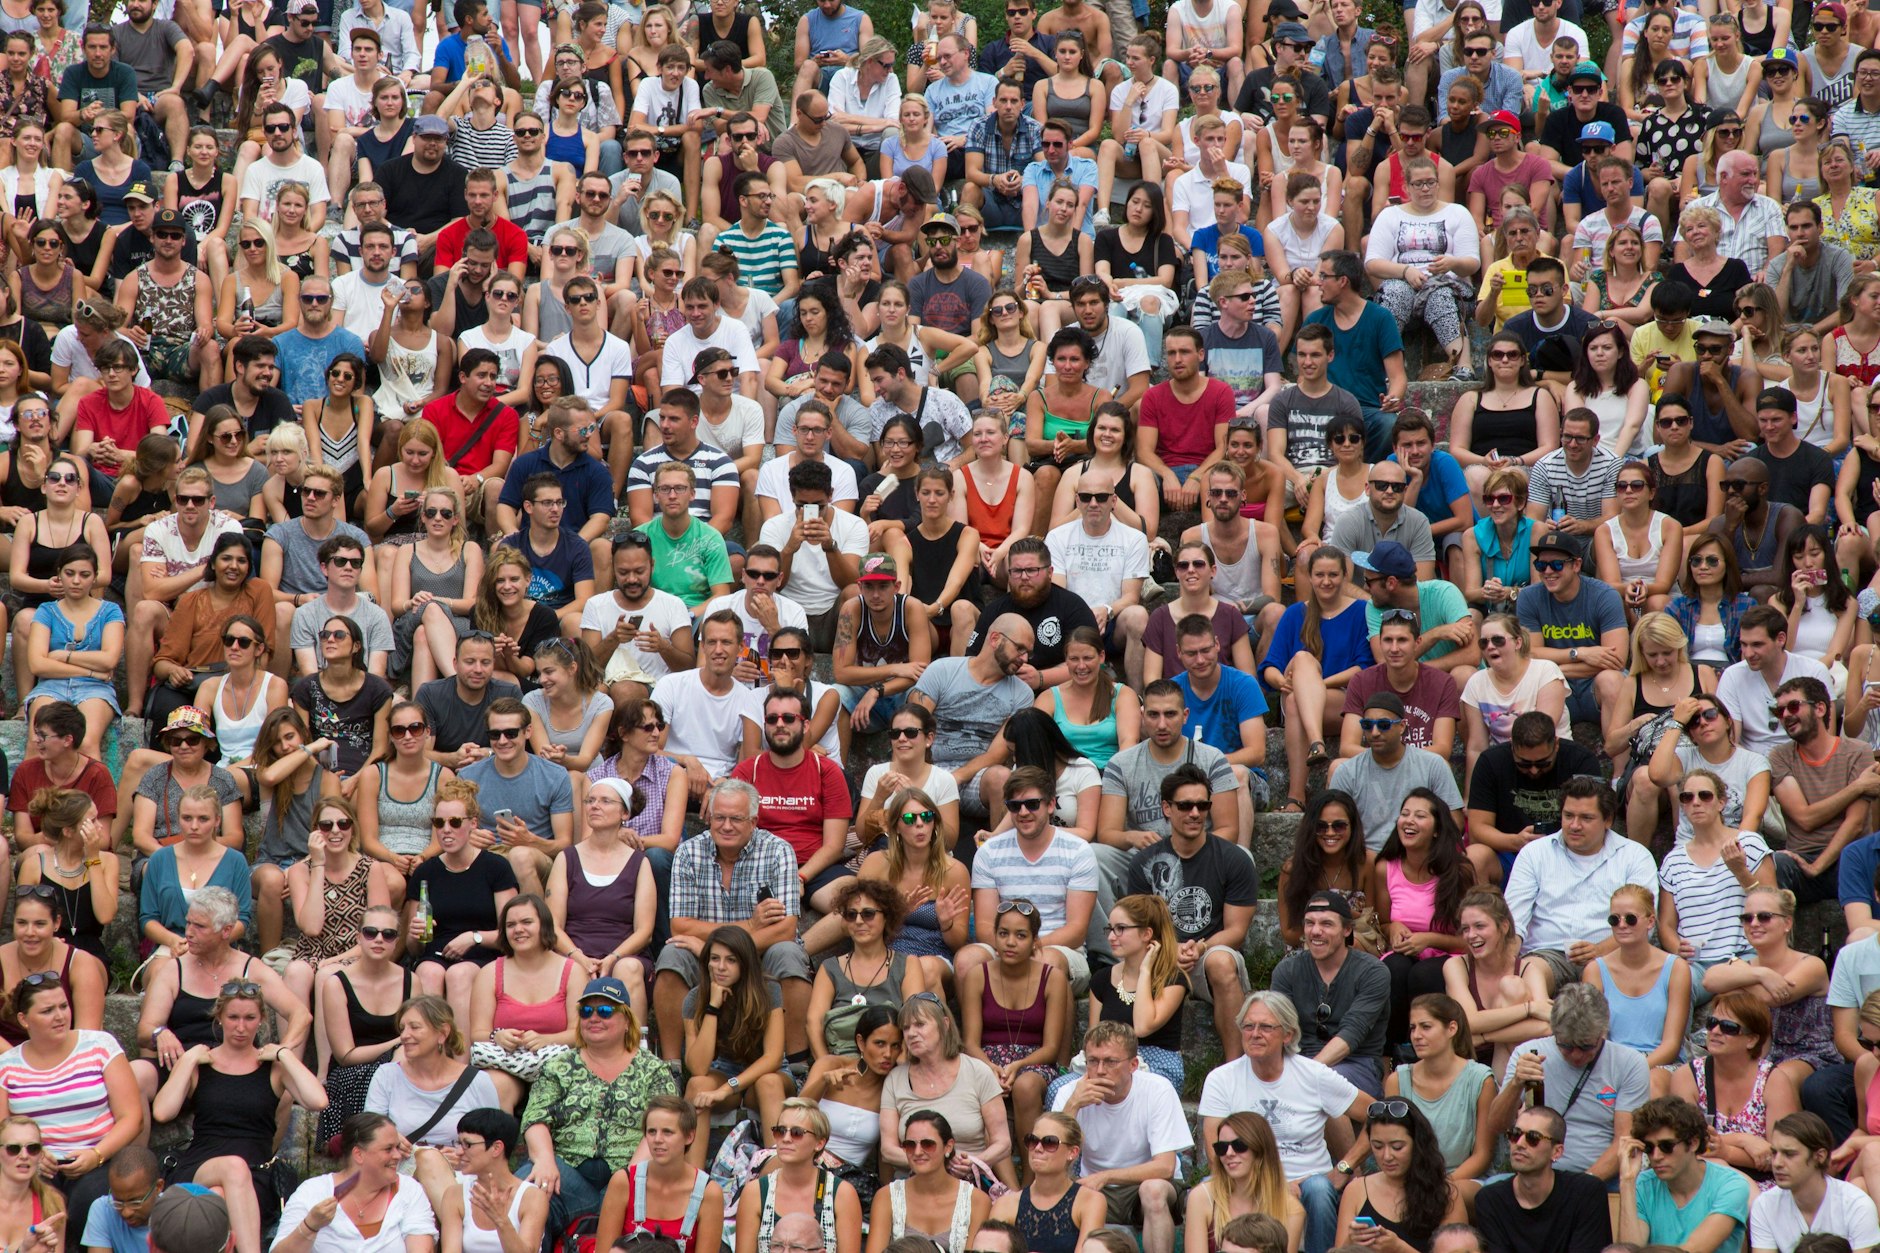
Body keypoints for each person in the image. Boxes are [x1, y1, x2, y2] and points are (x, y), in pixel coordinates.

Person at [150, 980, 326, 1253]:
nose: (241, 1027)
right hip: (201, 1166)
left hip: (255, 1175)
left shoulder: (273, 1068)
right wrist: (187, 1060)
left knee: (220, 1195)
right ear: (219, 1018)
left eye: (249, 1018)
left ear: (261, 1020)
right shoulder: (202, 1063)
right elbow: (162, 1111)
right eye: (233, 1017)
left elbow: (318, 1100)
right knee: (232, 1167)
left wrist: (283, 1053)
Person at [1197, 990, 1373, 1253]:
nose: (1255, 1033)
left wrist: (1345, 1167)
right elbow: (1215, 1151)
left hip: (1309, 1180)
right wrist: (1270, 1185)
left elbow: (1377, 1114)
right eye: (1248, 1026)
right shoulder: (1222, 1079)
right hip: (1246, 1179)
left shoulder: (1313, 1074)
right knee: (1201, 1191)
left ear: (1288, 1035)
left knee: (1318, 1188)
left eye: (1266, 1027)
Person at [0, 970, 143, 1237]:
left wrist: (96, 1155)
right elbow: (3, 1129)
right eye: (47, 1011)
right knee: (39, 1202)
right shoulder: (7, 1066)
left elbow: (132, 1117)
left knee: (86, 1202)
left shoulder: (100, 1045)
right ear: (24, 1019)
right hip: (35, 1161)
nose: (60, 1016)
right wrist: (34, 1155)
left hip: (99, 1156)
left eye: (63, 1006)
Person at [1046, 1021, 1190, 1253]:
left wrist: (1105, 1176)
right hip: (1094, 1188)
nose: (1100, 1070)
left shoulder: (1157, 1089)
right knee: (1055, 1191)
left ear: (1133, 1065)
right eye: (1092, 1061)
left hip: (1144, 1187)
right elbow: (1048, 1158)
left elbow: (1165, 1167)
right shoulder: (1070, 1093)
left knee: (1152, 1190)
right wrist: (1073, 1106)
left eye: (1110, 1061)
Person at [1271, 891, 1392, 1094]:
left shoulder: (1373, 972)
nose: (1315, 931)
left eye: (1326, 924)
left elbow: (1352, 1033)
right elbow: (1278, 1026)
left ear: (1347, 929)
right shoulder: (1287, 970)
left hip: (1357, 1064)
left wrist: (1304, 1074)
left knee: (1324, 1085)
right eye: (1310, 923)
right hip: (1298, 1060)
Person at [273, 1113, 436, 1253]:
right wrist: (309, 1227)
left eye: (397, 1148)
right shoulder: (313, 1191)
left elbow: (421, 1248)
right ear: (358, 1154)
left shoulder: (409, 1190)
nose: (397, 1156)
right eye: (388, 1149)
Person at [1616, 1095, 1755, 1251]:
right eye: (1648, 1147)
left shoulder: (1731, 1185)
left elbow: (1693, 1250)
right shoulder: (1642, 1184)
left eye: (1666, 1146)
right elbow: (1630, 1250)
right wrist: (1627, 1181)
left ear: (1693, 1143)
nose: (1656, 1156)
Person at [1329, 690, 1463, 850]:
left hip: (1419, 855)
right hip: (1365, 859)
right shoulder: (1346, 771)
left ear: (1402, 726)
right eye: (1367, 725)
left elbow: (1455, 821)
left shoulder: (1432, 764)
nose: (1375, 732)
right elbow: (1334, 825)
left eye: (1384, 725)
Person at [1473, 1103, 1615, 1253]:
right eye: (1515, 1134)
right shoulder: (1490, 1200)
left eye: (1533, 1138)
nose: (1520, 1144)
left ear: (1557, 1152)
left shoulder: (1586, 1193)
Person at [1752, 1111, 1880, 1253]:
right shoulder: (1764, 1204)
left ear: (1820, 1156)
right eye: (1775, 1153)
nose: (1777, 1163)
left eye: (1789, 1154)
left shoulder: (1856, 1204)